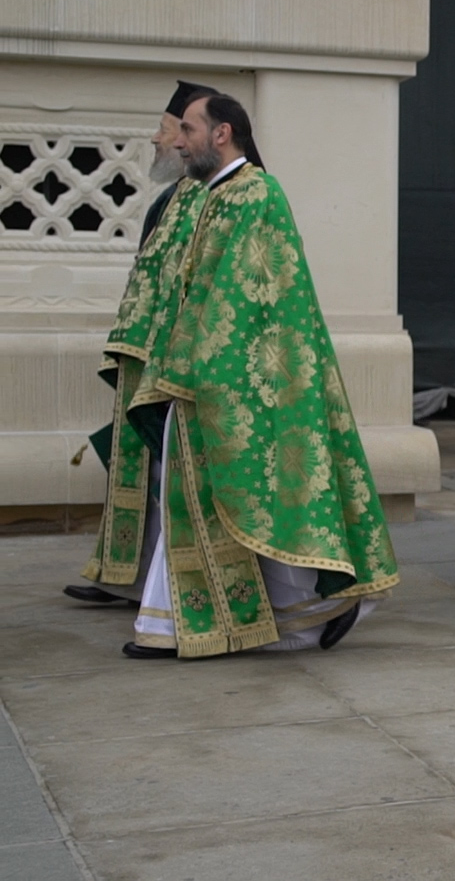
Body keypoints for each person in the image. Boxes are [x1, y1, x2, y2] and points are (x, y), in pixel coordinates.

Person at [121, 93, 398, 657]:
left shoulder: (258, 194)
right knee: (226, 496)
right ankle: (281, 614)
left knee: (255, 497)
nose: (177, 141)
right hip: (204, 369)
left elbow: (248, 297)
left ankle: (203, 621)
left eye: (188, 130)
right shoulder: (211, 197)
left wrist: (197, 365)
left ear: (223, 133)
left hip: (244, 377)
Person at [67, 81, 215, 609]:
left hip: (175, 360)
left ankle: (162, 587)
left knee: (166, 470)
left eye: (168, 128)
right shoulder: (171, 198)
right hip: (145, 352)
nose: (158, 140)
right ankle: (125, 579)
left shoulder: (214, 196)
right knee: (140, 465)